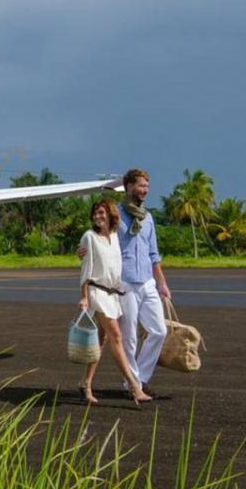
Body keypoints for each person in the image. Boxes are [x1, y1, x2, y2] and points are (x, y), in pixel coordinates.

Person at [78, 169, 172, 398]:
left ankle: (140, 378)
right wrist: (84, 250)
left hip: (147, 282)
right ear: (128, 187)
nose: (145, 190)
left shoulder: (148, 218)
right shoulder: (116, 216)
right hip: (125, 283)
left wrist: (162, 284)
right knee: (127, 336)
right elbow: (100, 237)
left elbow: (154, 254)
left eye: (147, 186)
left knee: (159, 331)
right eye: (141, 186)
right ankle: (133, 385)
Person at [77, 199, 153, 406]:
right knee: (117, 336)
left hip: (112, 295)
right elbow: (85, 269)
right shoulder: (89, 237)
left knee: (100, 342)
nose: (97, 216)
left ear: (110, 215)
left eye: (101, 213)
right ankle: (135, 387)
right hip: (96, 293)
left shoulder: (114, 237)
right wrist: (84, 296)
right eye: (95, 213)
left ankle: (86, 383)